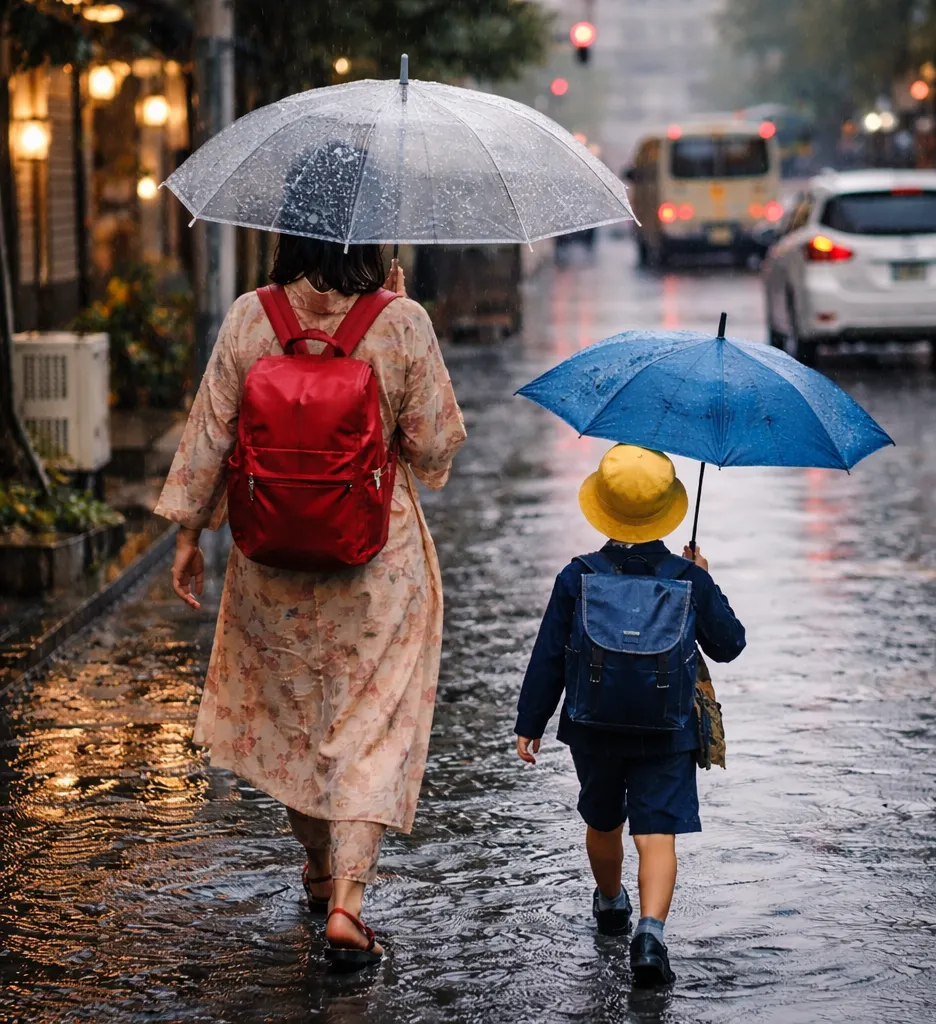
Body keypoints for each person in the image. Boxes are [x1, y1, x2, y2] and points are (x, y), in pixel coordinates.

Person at [155, 235, 466, 969]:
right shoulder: (400, 322)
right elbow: (434, 449)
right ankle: (348, 905)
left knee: (297, 725)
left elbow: (208, 437)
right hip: (375, 568)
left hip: (271, 563)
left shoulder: (247, 318)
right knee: (368, 730)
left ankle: (319, 868)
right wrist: (395, 305)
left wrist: (188, 538)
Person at [514, 444, 745, 987]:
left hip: (592, 725)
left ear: (602, 506)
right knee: (656, 832)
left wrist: (531, 722)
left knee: (602, 820)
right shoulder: (688, 579)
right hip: (668, 728)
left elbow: (548, 655)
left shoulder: (578, 576)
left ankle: (612, 903)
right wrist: (701, 578)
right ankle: (650, 933)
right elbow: (729, 645)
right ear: (669, 508)